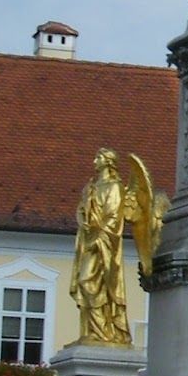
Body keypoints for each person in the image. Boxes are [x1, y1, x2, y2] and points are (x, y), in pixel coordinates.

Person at [69, 147, 131, 345]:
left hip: (104, 242)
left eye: (98, 158)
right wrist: (83, 221)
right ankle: (92, 331)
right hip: (88, 239)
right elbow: (81, 210)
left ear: (108, 161)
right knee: (85, 281)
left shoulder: (114, 187)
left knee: (88, 281)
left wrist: (100, 236)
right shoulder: (91, 187)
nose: (94, 161)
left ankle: (103, 331)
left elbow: (114, 217)